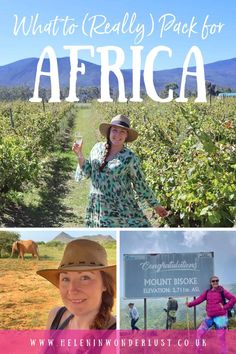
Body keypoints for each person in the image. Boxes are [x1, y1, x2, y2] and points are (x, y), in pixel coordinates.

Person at [72, 114, 169, 227]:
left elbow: (140, 185)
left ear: (126, 136)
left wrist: (156, 206)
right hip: (97, 205)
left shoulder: (130, 157)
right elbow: (88, 172)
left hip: (120, 208)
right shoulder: (97, 148)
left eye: (122, 131)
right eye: (115, 130)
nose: (118, 134)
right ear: (109, 132)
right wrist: (79, 154)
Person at [37, 239, 116, 330]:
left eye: (85, 278)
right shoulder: (55, 316)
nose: (72, 290)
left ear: (105, 284)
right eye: (65, 279)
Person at [186, 276, 236, 354]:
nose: (215, 282)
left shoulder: (222, 291)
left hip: (221, 318)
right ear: (211, 283)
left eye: (217, 281)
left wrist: (225, 307)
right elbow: (199, 300)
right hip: (209, 317)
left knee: (221, 338)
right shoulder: (207, 292)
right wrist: (190, 304)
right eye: (213, 281)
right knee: (199, 332)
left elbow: (233, 298)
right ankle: (199, 351)